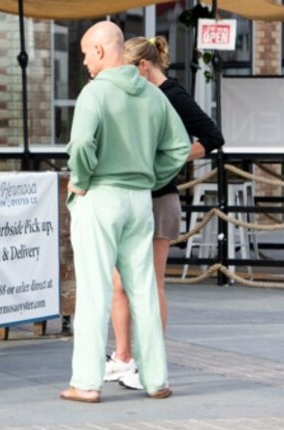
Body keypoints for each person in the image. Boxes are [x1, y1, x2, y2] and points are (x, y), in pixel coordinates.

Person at [60, 22, 191, 403]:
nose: (84, 61)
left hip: (100, 197)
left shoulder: (94, 93)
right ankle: (157, 380)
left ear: (101, 51)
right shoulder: (153, 95)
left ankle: (85, 383)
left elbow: (82, 142)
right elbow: (180, 147)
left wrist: (81, 178)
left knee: (94, 292)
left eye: (86, 52)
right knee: (145, 291)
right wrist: (152, 178)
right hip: (139, 200)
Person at [104, 36, 225, 390]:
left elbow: (213, 136)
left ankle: (148, 361)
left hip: (159, 199)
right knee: (120, 283)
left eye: (130, 71)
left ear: (144, 66)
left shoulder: (172, 95)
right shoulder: (142, 96)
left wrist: (174, 159)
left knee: (152, 284)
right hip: (139, 198)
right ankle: (124, 357)